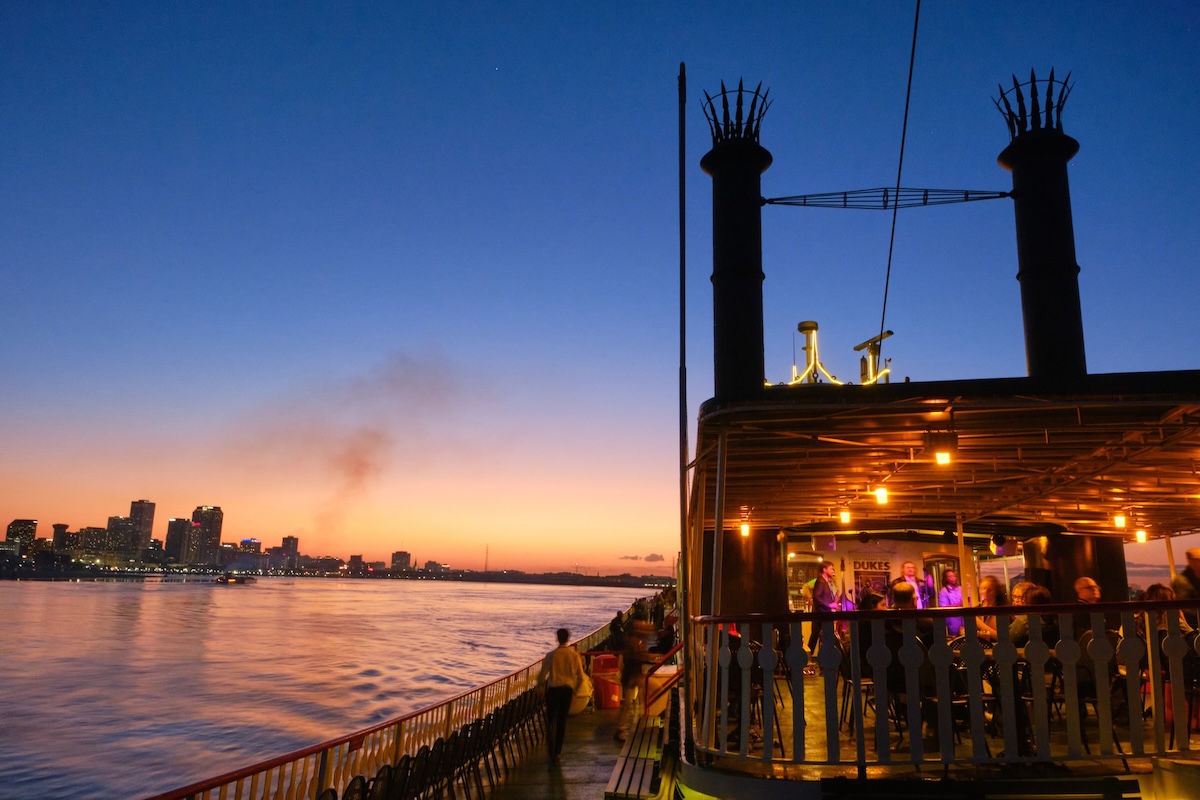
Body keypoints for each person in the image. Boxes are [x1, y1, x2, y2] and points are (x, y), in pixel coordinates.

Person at [537, 627, 585, 766]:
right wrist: (575, 692)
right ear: (568, 638)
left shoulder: (551, 655)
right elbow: (581, 678)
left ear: (557, 638)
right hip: (567, 691)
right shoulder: (574, 655)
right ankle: (557, 752)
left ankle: (551, 751)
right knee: (562, 722)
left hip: (553, 691)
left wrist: (539, 687)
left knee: (550, 721)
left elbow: (542, 675)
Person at [808, 560, 836, 653]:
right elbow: (816, 597)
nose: (833, 571)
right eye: (831, 569)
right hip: (821, 614)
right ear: (824, 570)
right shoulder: (821, 581)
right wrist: (829, 605)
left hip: (823, 614)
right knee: (817, 636)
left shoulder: (825, 581)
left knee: (817, 636)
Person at [1172, 548, 1200, 629]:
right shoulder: (1182, 581)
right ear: (1191, 562)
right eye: (1198, 560)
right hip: (1191, 625)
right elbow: (1183, 607)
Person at [975, 575, 1007, 641]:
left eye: (989, 590)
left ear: (996, 592)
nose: (986, 592)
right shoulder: (977, 609)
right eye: (983, 588)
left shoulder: (1001, 610)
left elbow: (1002, 636)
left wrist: (979, 624)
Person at [938, 569, 964, 637]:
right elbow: (943, 608)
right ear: (946, 579)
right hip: (953, 621)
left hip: (964, 619)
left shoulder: (961, 588)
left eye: (954, 576)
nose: (953, 578)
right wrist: (959, 604)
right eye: (950, 576)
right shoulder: (943, 591)